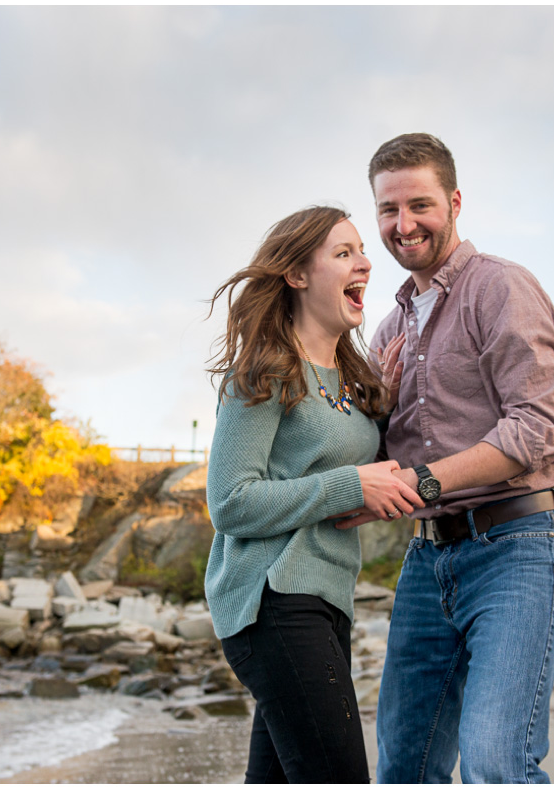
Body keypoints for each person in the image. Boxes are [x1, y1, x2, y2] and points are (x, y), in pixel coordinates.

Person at [345, 133, 554, 783]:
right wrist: (379, 407)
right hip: (427, 563)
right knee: (403, 767)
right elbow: (379, 460)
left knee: (495, 762)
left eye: (419, 205)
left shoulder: (499, 287)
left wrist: (423, 482)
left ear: (453, 201)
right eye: (387, 211)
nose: (404, 225)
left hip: (521, 545)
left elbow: (538, 428)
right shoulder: (388, 331)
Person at [203, 204, 423, 784]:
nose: (366, 264)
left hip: (326, 600)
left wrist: (387, 403)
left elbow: (355, 486)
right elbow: (229, 501)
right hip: (274, 601)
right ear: (297, 275)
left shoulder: (352, 384)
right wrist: (351, 482)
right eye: (344, 253)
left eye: (362, 252)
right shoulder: (264, 371)